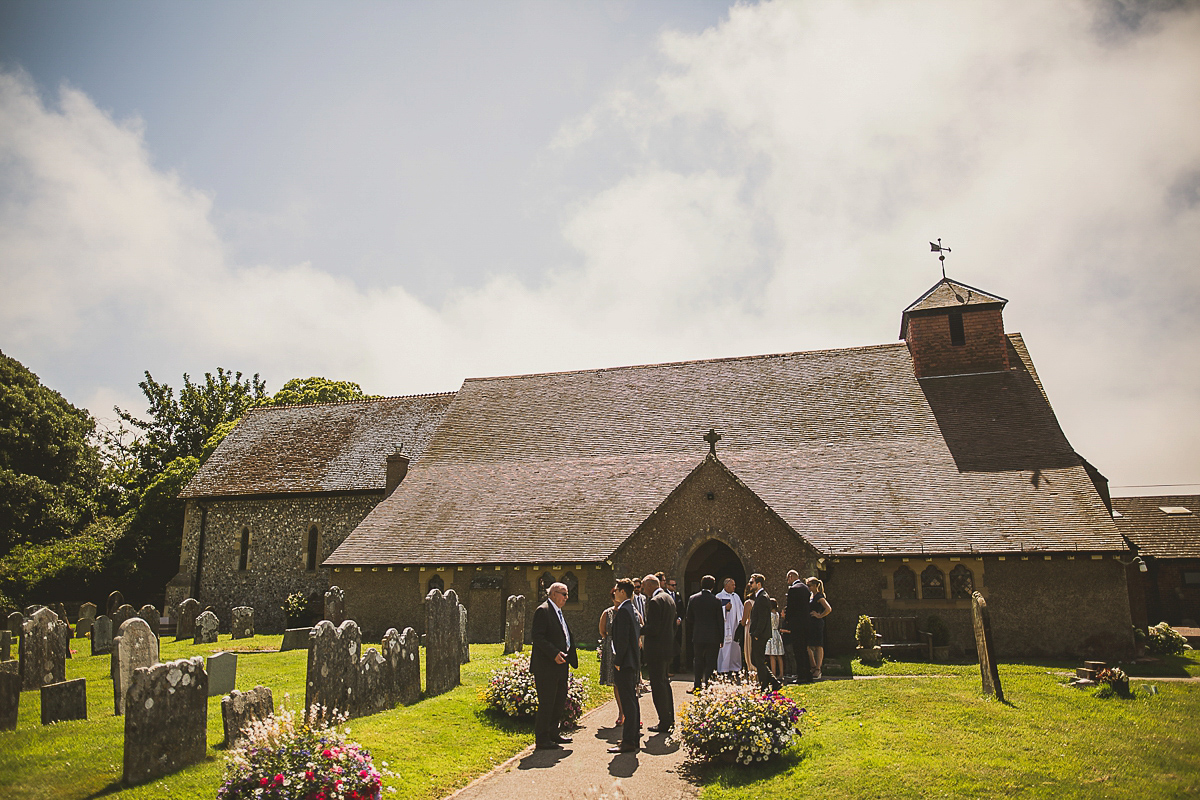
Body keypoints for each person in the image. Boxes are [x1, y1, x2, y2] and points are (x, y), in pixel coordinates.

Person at [530, 581, 579, 750]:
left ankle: (553, 733)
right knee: (547, 702)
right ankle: (542, 739)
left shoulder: (558, 612)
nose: (566, 597)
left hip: (561, 665)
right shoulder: (543, 611)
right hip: (547, 666)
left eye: (567, 594)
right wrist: (554, 653)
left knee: (559, 700)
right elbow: (537, 637)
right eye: (563, 594)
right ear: (553, 594)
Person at [609, 578, 642, 754]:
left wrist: (618, 662)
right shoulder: (632, 609)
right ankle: (633, 738)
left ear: (622, 592)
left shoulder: (623, 611)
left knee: (628, 702)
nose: (614, 592)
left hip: (625, 663)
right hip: (632, 662)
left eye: (616, 589)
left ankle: (629, 741)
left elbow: (622, 640)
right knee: (632, 701)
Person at [642, 574, 676, 733]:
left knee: (658, 686)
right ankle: (670, 718)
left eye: (643, 587)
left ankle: (664, 721)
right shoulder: (668, 598)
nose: (643, 590)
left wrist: (639, 628)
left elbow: (653, 629)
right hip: (667, 647)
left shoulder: (655, 602)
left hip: (656, 650)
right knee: (665, 684)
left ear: (650, 586)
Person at [686, 574, 724, 691]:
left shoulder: (693, 599)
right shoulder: (716, 601)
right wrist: (721, 638)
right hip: (713, 636)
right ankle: (707, 684)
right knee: (711, 661)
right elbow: (720, 621)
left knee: (698, 660)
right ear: (712, 586)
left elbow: (689, 618)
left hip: (698, 634)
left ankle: (697, 685)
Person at [748, 573, 783, 691]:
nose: (749, 584)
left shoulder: (762, 597)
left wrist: (757, 633)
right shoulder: (759, 596)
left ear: (758, 584)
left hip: (760, 635)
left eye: (751, 582)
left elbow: (763, 618)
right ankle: (773, 681)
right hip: (759, 634)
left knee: (758, 659)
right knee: (756, 659)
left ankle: (764, 684)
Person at [781, 569, 812, 684]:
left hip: (797, 625)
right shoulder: (805, 588)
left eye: (787, 579)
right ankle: (808, 674)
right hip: (806, 623)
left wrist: (786, 619)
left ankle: (801, 676)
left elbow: (791, 607)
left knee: (798, 651)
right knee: (804, 649)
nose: (787, 582)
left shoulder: (793, 589)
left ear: (790, 577)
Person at [598, 588, 622, 725]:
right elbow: (602, 631)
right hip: (611, 648)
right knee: (616, 682)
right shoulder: (607, 613)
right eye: (614, 598)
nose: (616, 600)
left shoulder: (631, 611)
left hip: (627, 650)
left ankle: (632, 713)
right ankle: (621, 712)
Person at [715, 577, 744, 674]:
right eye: (732, 585)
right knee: (725, 648)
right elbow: (715, 611)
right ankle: (723, 668)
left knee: (735, 647)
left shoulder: (736, 596)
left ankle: (735, 667)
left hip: (735, 626)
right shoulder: (719, 596)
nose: (734, 587)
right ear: (726, 585)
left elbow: (741, 609)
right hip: (725, 626)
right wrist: (725, 608)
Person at [807, 576, 832, 680]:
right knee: (808, 645)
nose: (808, 587)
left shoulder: (819, 597)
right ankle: (813, 666)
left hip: (817, 623)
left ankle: (818, 668)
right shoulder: (811, 597)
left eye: (810, 585)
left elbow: (828, 608)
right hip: (810, 623)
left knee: (818, 645)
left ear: (815, 586)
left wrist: (819, 615)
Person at [766, 597, 785, 682]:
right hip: (777, 634)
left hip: (771, 634)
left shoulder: (769, 615)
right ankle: (781, 674)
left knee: (772, 656)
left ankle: (773, 674)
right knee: (779, 655)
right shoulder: (777, 614)